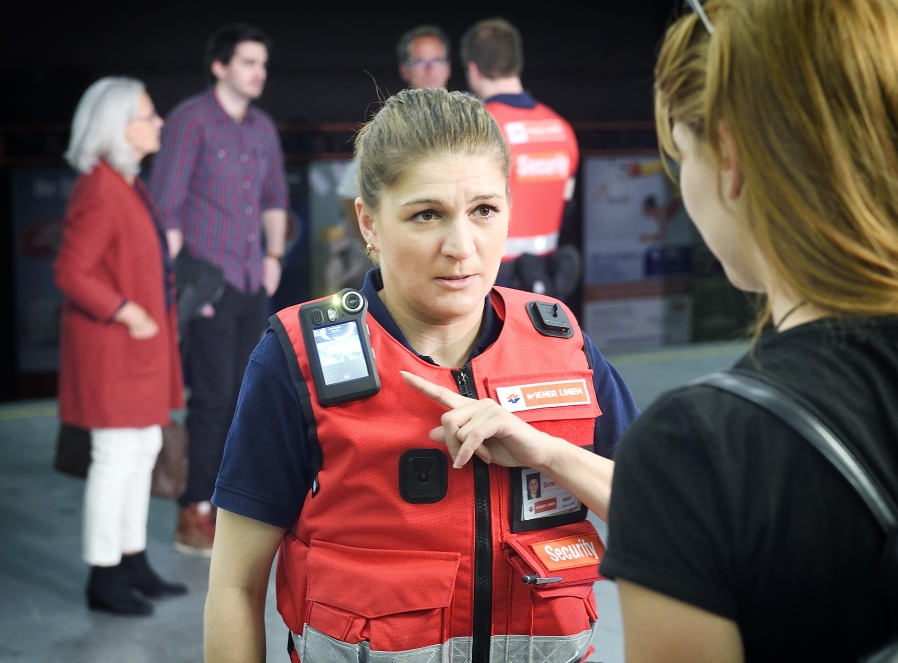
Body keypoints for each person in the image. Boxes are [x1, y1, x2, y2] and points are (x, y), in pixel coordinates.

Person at [428, 1, 898, 660]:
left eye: (683, 153)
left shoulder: (699, 449)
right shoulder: (557, 131)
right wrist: (550, 451)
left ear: (729, 157)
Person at [204, 88, 639, 663]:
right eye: (426, 214)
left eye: (484, 210)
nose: (462, 248)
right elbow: (235, 586)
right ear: (369, 222)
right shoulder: (299, 355)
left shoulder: (559, 342)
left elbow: (664, 516)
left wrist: (548, 453)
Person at [149, 23, 289, 556]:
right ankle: (193, 511)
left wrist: (273, 257)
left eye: (263, 64)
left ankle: (231, 502)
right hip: (209, 283)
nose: (259, 73)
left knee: (246, 396)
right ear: (220, 66)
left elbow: (276, 195)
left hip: (253, 277)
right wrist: (188, 284)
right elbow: (168, 207)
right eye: (249, 62)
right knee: (211, 400)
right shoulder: (191, 120)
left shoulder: (261, 127)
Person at [55, 77, 187, 615]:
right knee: (115, 459)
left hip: (138, 351)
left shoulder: (126, 181)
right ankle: (103, 574)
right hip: (115, 350)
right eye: (149, 115)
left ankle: (131, 560)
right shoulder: (100, 186)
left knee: (142, 452)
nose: (158, 123)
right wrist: (127, 311)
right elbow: (71, 270)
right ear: (118, 127)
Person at [461, 18, 580, 299]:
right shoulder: (562, 130)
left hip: (491, 289)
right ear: (516, 63)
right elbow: (567, 205)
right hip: (548, 290)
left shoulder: (480, 127)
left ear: (473, 69)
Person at [335, 24, 452, 248]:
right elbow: (349, 191)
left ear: (448, 67)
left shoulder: (471, 118)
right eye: (419, 61)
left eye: (437, 60)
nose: (430, 69)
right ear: (404, 69)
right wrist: (377, 248)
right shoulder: (395, 123)